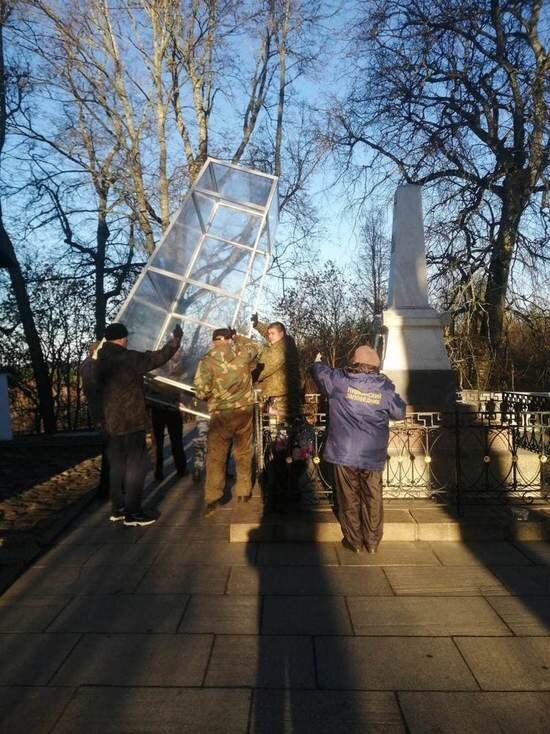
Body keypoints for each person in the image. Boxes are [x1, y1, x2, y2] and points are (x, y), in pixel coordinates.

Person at [311, 345, 406, 553]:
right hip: (372, 452)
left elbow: (319, 373)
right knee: (373, 496)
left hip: (344, 451)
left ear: (353, 361)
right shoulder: (384, 387)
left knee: (348, 496)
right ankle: (372, 542)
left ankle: (354, 541)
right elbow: (399, 412)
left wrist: (318, 361)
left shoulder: (339, 380)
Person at [96, 322, 183, 527]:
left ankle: (117, 509)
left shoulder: (99, 362)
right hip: (131, 421)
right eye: (126, 337)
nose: (127, 340)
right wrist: (176, 340)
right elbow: (157, 357)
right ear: (121, 338)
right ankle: (133, 513)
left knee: (117, 466)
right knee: (137, 466)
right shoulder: (127, 358)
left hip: (111, 423)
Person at [193, 327, 261, 516]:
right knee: (244, 452)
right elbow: (257, 346)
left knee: (216, 457)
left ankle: (213, 498)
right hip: (244, 412)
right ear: (229, 339)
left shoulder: (206, 360)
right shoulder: (243, 353)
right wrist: (237, 337)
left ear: (214, 340)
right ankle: (243, 492)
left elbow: (201, 392)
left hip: (220, 415)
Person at [251, 313, 302, 418]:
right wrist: (258, 324)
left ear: (281, 334)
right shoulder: (286, 341)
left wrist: (246, 378)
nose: (269, 336)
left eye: (272, 334)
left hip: (279, 395)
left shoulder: (279, 350)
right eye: (269, 334)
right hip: (286, 392)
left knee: (276, 427)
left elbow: (264, 369)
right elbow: (269, 332)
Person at [80, 340, 109, 499]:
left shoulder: (88, 365)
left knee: (109, 451)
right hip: (102, 414)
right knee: (109, 452)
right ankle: (105, 490)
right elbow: (96, 391)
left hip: (100, 414)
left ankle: (107, 489)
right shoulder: (91, 367)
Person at [146, 381, 188, 480]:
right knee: (174, 441)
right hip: (168, 406)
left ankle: (159, 472)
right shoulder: (174, 367)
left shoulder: (152, 367)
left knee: (159, 443)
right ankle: (180, 469)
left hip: (161, 406)